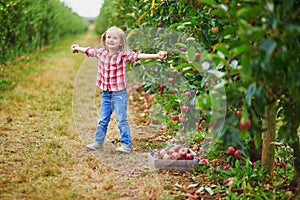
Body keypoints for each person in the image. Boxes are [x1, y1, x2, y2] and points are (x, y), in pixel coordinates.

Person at [71, 26, 167, 153]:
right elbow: (89, 51)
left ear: (121, 42)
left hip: (119, 94)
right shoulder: (101, 53)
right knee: (102, 120)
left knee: (121, 119)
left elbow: (138, 56)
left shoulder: (123, 55)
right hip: (106, 94)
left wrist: (156, 55)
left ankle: (126, 144)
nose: (111, 40)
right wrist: (77, 48)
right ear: (104, 39)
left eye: (115, 38)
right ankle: (98, 142)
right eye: (108, 37)